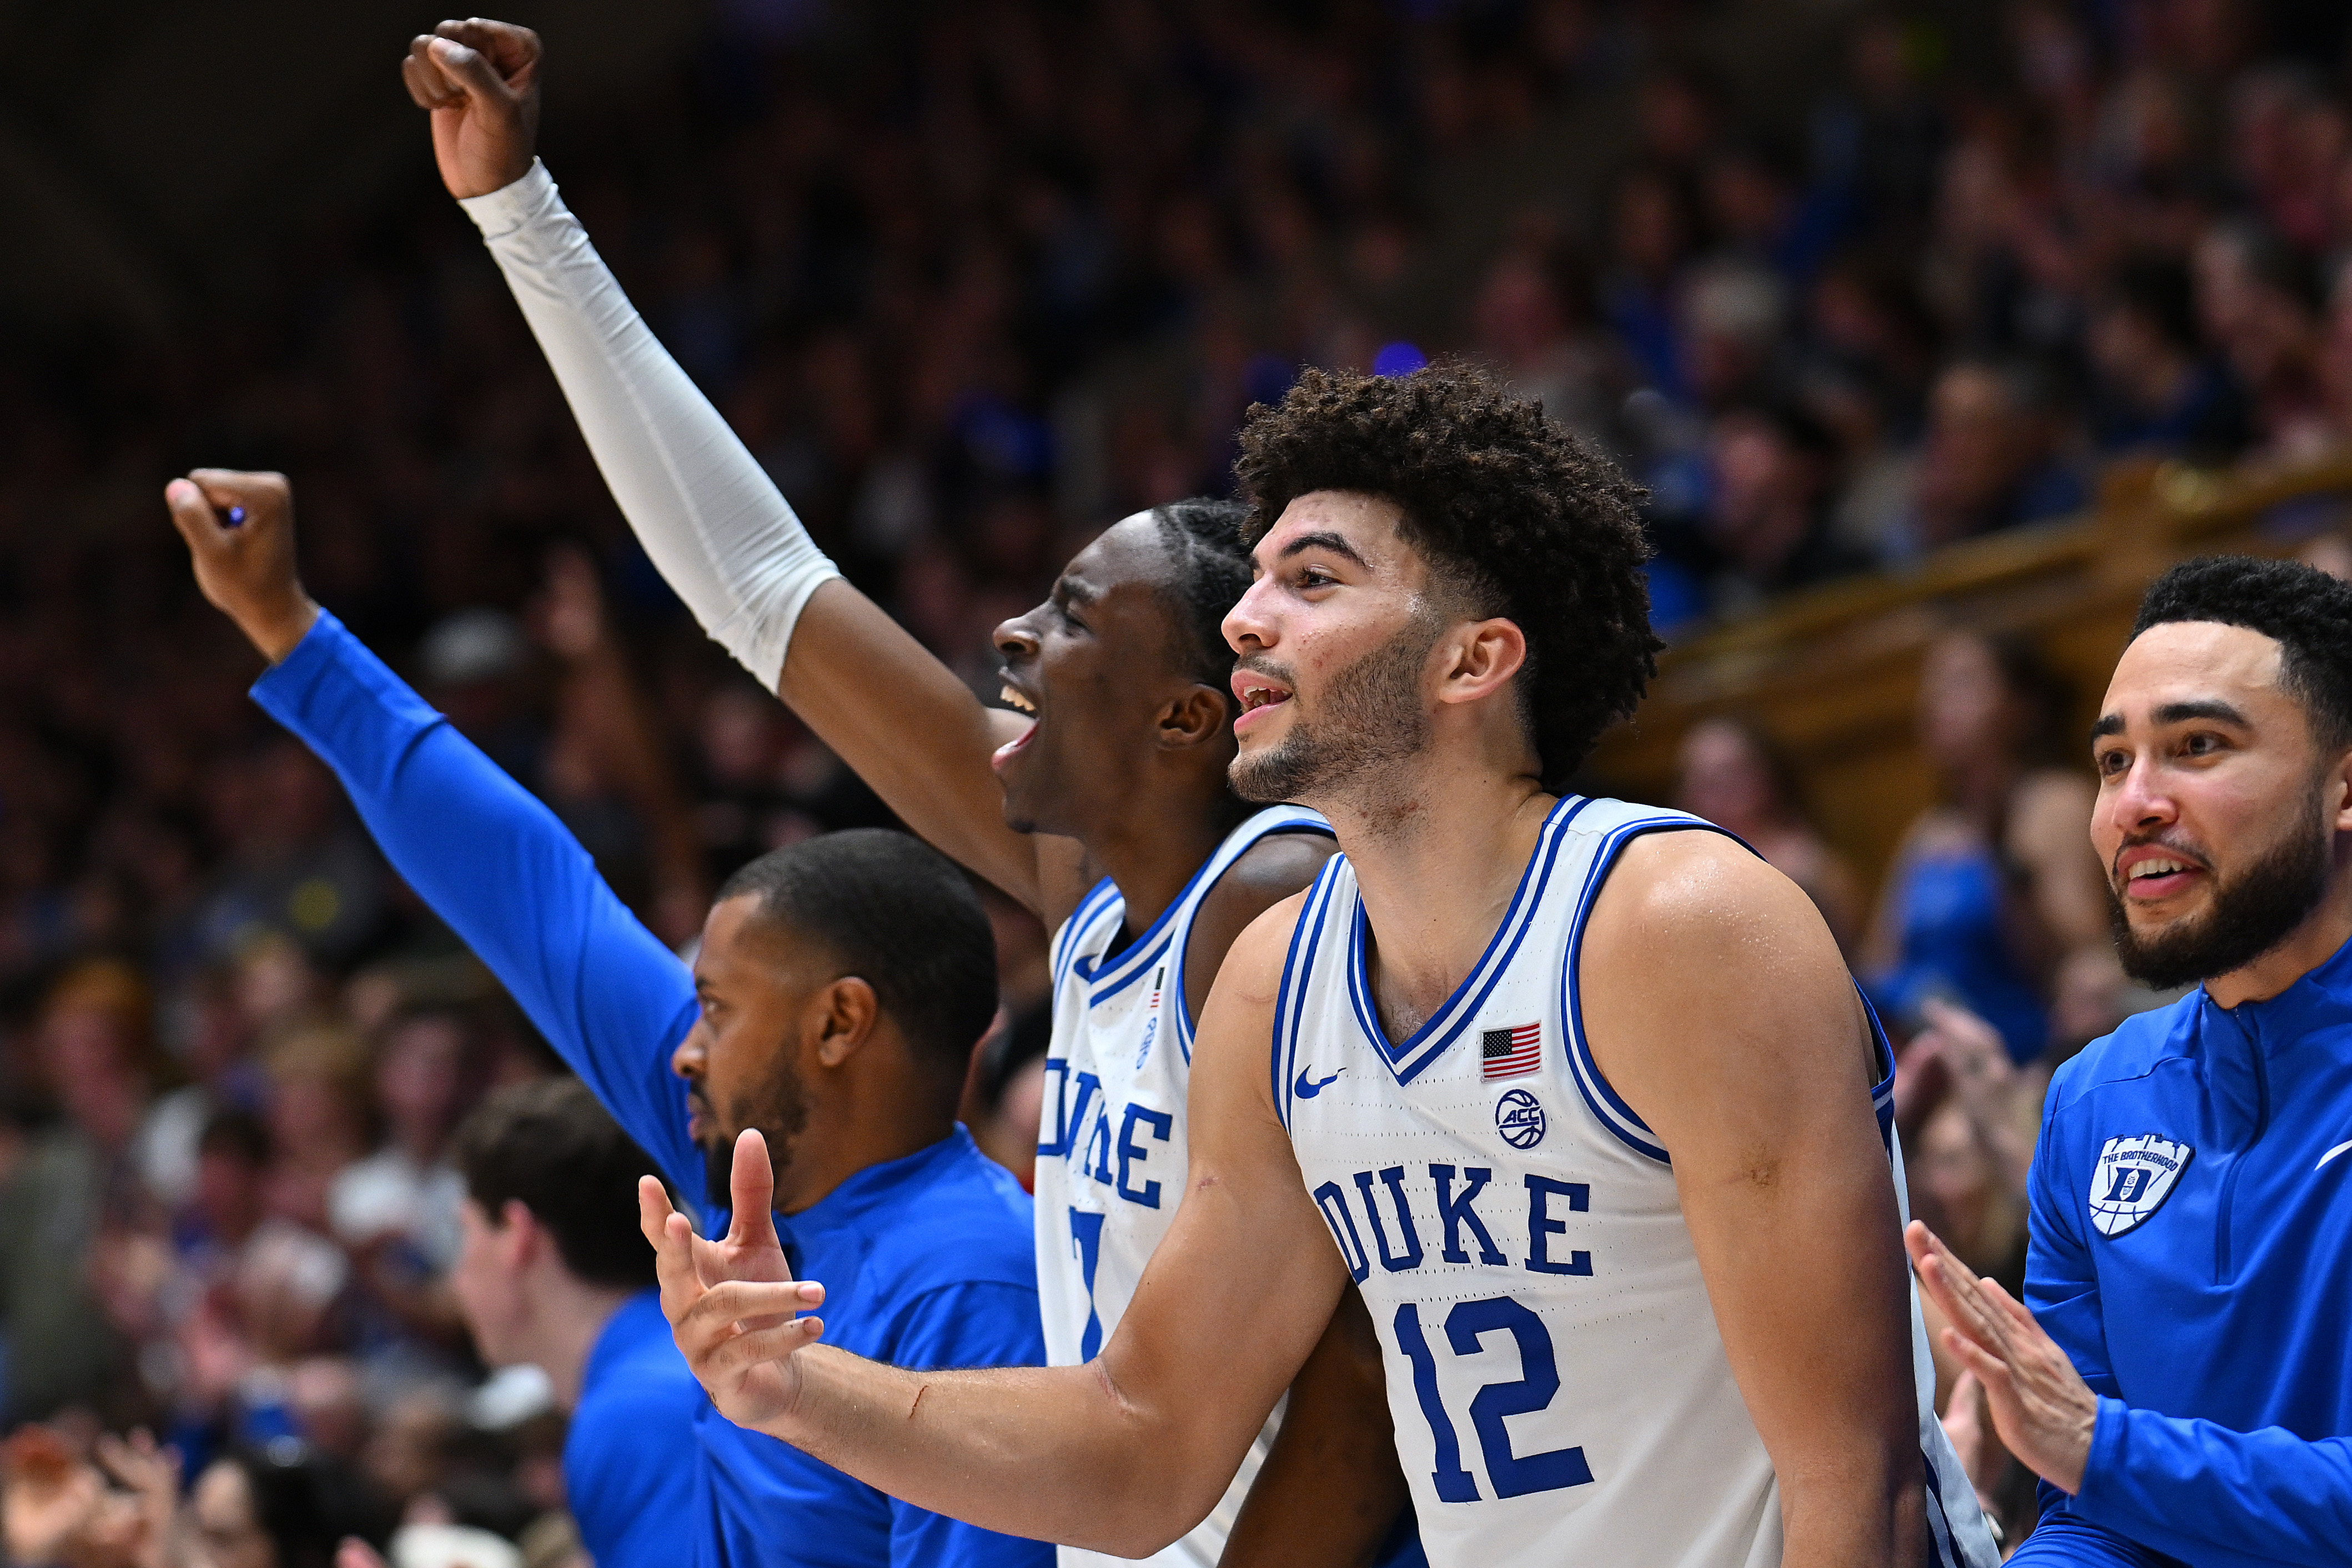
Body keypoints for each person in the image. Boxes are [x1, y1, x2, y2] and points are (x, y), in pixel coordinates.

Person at [646, 365, 1997, 1568]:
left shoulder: (1678, 927)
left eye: (1313, 580)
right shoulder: (1275, 984)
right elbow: (1144, 1439)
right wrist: (794, 1384)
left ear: (1472, 659)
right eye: (1253, 582)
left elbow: (1854, 1491)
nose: (1245, 619)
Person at [400, 21, 1410, 1568]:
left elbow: (1358, 1373)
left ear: (1184, 714)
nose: (1013, 635)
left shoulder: (1269, 899)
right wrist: (519, 211)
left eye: (1074, 620)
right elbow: (758, 583)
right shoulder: (1100, 904)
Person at [163, 469, 1053, 1568]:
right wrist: (289, 627)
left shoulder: (973, 1283)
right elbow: (527, 888)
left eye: (716, 1008)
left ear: (838, 1025)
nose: (684, 1046)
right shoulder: (741, 1162)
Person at [1908, 555, 2352, 1567]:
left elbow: (2100, 1459)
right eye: (2114, 761)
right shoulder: (2093, 1100)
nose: (2133, 805)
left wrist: (2102, 1447)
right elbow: (2098, 1517)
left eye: (2197, 746)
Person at [443, 1077, 700, 1568]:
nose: (456, 1278)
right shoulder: (662, 1373)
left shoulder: (634, 1413)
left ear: (515, 1236)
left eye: (466, 1234)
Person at [1866, 630, 2110, 1064]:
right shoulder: (1927, 831)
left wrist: (2000, 856)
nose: (1937, 702)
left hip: (2029, 1051)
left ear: (2022, 707)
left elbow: (2080, 957)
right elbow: (1880, 962)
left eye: (1962, 682)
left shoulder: (2057, 803)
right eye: (1933, 686)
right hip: (1933, 1047)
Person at [1673, 713, 1865, 952]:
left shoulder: (1818, 868)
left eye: (1731, 773)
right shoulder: (1672, 874)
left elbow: (1864, 957)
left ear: (1767, 775)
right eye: (1702, 780)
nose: (1719, 792)